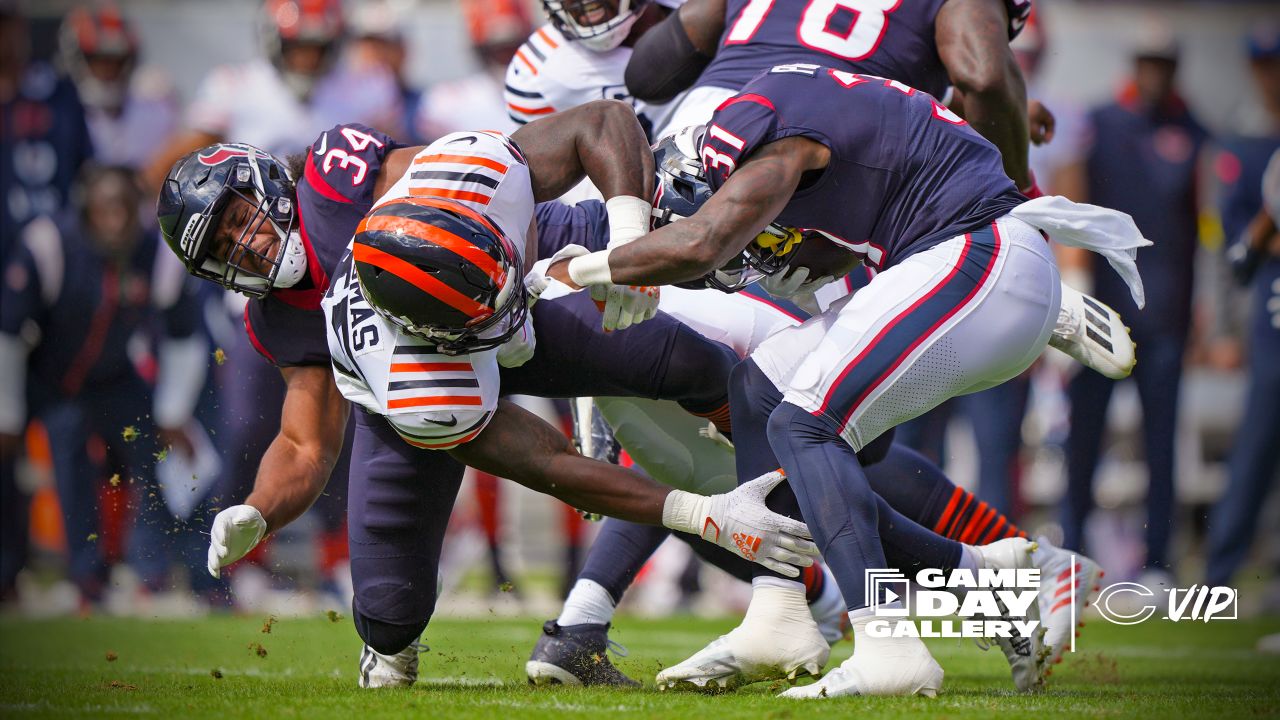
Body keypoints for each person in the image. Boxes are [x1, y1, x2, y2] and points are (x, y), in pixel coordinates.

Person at [535, 64, 1150, 697]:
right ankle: (785, 610)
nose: (759, 263)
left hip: (979, 257)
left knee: (803, 427)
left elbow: (703, 242)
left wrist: (592, 270)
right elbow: (857, 213)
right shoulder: (812, 125)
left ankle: (888, 646)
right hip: (966, 259)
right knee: (763, 393)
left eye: (761, 243)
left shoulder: (765, 140)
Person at [156, 100, 808, 685]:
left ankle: (790, 485)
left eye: (237, 218)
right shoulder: (278, 318)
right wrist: (260, 510)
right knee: (387, 614)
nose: (244, 244)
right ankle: (389, 644)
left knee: (690, 363)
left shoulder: (339, 181)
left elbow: (594, 125)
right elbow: (304, 444)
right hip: (418, 387)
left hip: (518, 290)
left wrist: (623, 247)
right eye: (219, 247)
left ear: (265, 184)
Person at [622, 0, 1134, 384]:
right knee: (818, 406)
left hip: (696, 137)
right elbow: (982, 77)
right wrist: (1019, 204)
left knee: (656, 343)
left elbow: (646, 73)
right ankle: (1040, 296)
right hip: (813, 158)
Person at [0, 165, 208, 608]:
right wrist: (8, 411)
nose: (115, 222)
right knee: (67, 456)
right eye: (104, 210)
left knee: (152, 453)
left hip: (115, 376)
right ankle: (80, 578)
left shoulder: (157, 253)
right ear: (86, 211)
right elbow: (8, 334)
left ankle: (148, 573)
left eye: (123, 210)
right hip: (49, 380)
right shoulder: (49, 244)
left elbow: (185, 336)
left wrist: (172, 412)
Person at [1060, 30, 1209, 588]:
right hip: (1099, 316)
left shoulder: (1194, 132)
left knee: (1162, 443)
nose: (1155, 72)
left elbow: (1203, 227)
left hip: (1167, 315)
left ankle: (1157, 562)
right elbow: (1071, 205)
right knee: (1083, 440)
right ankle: (1071, 552)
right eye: (1147, 61)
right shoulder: (1100, 122)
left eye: (1163, 62)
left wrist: (1207, 317)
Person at [1205, 27, 1280, 592]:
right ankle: (1220, 573)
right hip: (1273, 310)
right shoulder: (1246, 143)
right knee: (1257, 441)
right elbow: (1232, 251)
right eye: (1265, 64)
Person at [1, 4, 94, 259]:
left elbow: (86, 168)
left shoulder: (58, 93)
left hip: (48, 253)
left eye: (4, 25)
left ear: (19, 26)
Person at [58, 3, 178, 171]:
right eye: (99, 61)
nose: (109, 71)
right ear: (78, 61)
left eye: (117, 61)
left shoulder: (157, 112)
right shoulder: (59, 116)